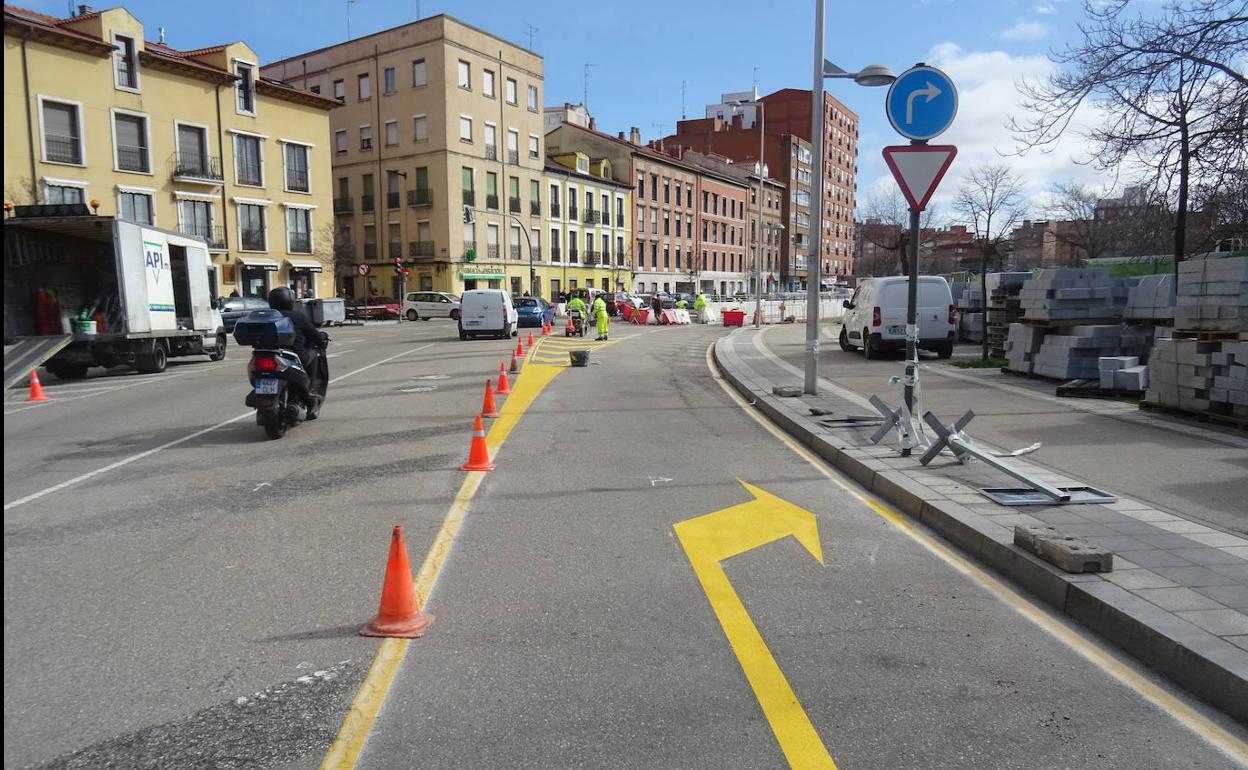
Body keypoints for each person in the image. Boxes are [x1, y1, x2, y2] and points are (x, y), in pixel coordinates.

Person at [267, 287, 326, 395]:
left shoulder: (267, 316)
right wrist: (322, 337)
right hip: (293, 356)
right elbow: (313, 333)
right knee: (314, 353)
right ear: (289, 300)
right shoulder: (297, 316)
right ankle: (311, 388)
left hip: (268, 354)